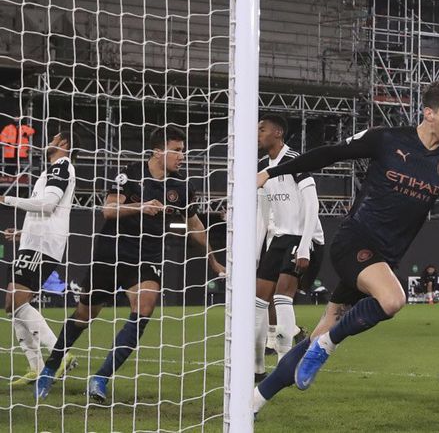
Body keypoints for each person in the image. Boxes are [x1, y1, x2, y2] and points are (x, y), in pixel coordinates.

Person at [252, 79, 439, 417]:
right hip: (353, 242)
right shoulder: (387, 139)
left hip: (381, 258)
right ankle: (328, 346)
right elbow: (329, 154)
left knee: (318, 334)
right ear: (429, 113)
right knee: (392, 299)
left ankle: (253, 400)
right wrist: (272, 171)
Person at [36, 126, 224, 401]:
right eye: (177, 150)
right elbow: (108, 210)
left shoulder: (183, 186)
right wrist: (141, 206)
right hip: (111, 251)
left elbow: (194, 223)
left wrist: (214, 261)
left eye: (183, 150)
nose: (182, 156)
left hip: (147, 255)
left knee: (145, 308)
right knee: (85, 315)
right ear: (158, 151)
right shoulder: (131, 173)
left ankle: (100, 379)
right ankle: (50, 368)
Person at [1, 131, 80, 386]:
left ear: (64, 145)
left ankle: (61, 355)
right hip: (34, 242)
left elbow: (48, 205)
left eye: (54, 139)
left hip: (43, 246)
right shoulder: (52, 171)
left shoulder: (61, 166)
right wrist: (23, 232)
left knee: (16, 301)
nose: (49, 142)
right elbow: (45, 210)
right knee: (13, 304)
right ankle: (37, 367)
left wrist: (7, 198)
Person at [254, 113, 325, 383]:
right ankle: (257, 371)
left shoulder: (295, 161)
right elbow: (264, 214)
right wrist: (256, 254)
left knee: (282, 297)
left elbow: (313, 205)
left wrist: (305, 247)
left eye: (263, 129)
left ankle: (283, 371)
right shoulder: (262, 167)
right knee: (258, 303)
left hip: (304, 237)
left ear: (278, 133)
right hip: (280, 239)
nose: (258, 133)